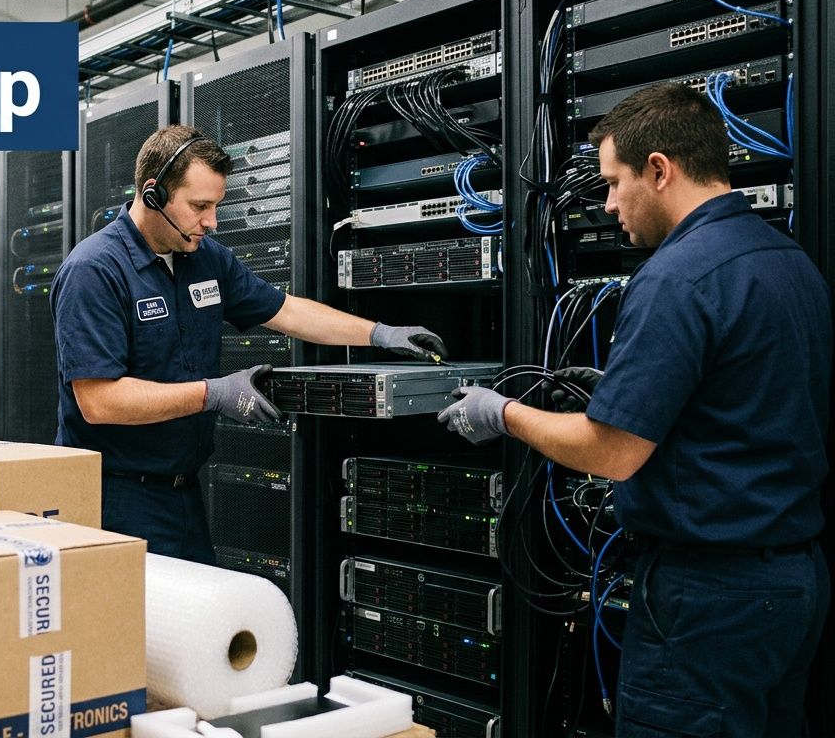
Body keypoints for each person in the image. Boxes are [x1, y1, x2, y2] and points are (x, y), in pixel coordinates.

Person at [437, 83, 830, 737]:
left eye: (615, 183)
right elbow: (742, 403)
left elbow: (613, 450)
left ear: (659, 169)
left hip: (706, 599)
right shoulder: (788, 262)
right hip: (791, 584)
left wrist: (501, 413)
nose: (610, 203)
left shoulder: (676, 276)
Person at [52, 124, 447, 563]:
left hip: (182, 494)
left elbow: (287, 311)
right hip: (112, 498)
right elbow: (99, 401)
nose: (212, 222)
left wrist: (380, 334)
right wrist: (213, 394)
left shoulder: (206, 259)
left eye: (216, 206)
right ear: (153, 195)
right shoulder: (94, 270)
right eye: (199, 206)